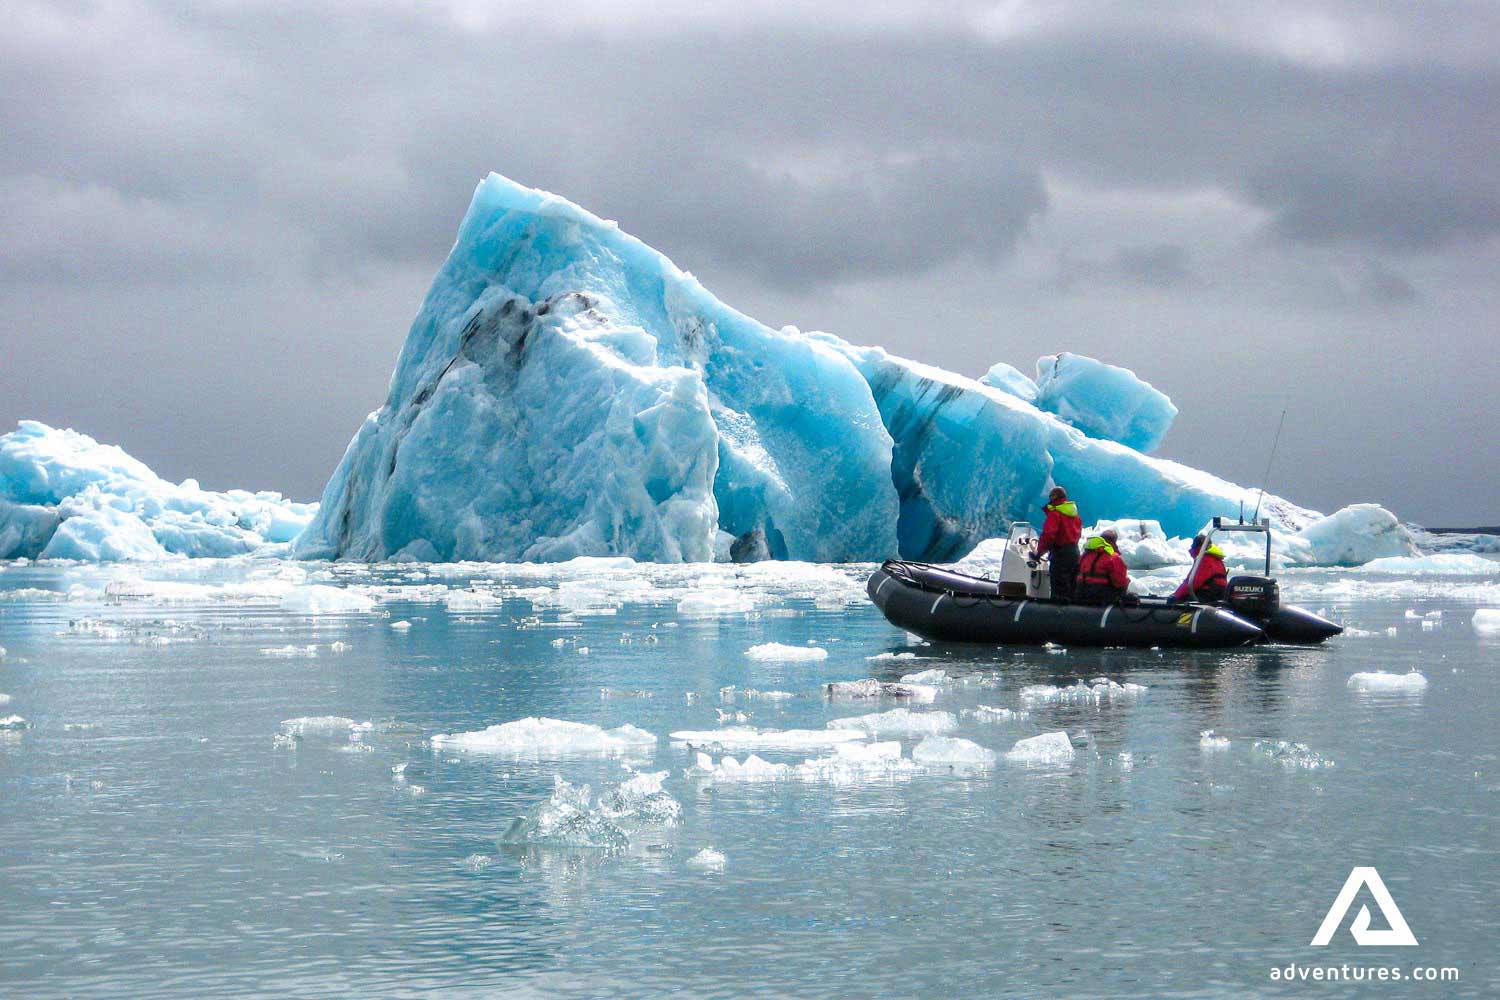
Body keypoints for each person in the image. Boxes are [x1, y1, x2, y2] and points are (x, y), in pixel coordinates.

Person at [1035, 486, 1082, 600]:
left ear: (1054, 497)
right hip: (1074, 553)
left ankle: (1057, 614)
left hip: (1061, 554)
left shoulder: (1055, 514)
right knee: (1072, 585)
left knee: (1059, 588)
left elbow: (1049, 535)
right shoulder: (1074, 515)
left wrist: (1039, 553)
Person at [1075, 528, 1130, 605]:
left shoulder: (1084, 556)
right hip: (1102, 596)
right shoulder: (1113, 557)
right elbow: (1120, 582)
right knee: (1126, 582)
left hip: (1081, 593)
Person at [1172, 534, 1228, 602]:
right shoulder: (1217, 559)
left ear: (1197, 546)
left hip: (1207, 595)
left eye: (1193, 545)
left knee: (1180, 601)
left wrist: (1176, 596)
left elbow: (1192, 582)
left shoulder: (1204, 560)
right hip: (1220, 594)